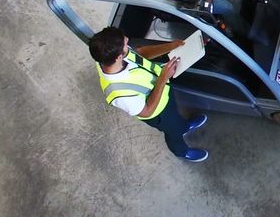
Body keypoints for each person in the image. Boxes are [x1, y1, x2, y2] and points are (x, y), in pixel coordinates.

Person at [88, 26, 209, 162]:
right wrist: (163, 78)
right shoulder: (119, 94)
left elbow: (139, 55)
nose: (127, 40)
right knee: (173, 131)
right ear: (118, 57)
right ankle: (181, 151)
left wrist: (170, 46)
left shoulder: (107, 58)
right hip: (159, 114)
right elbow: (146, 111)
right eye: (125, 43)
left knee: (177, 121)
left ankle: (184, 126)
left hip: (164, 94)